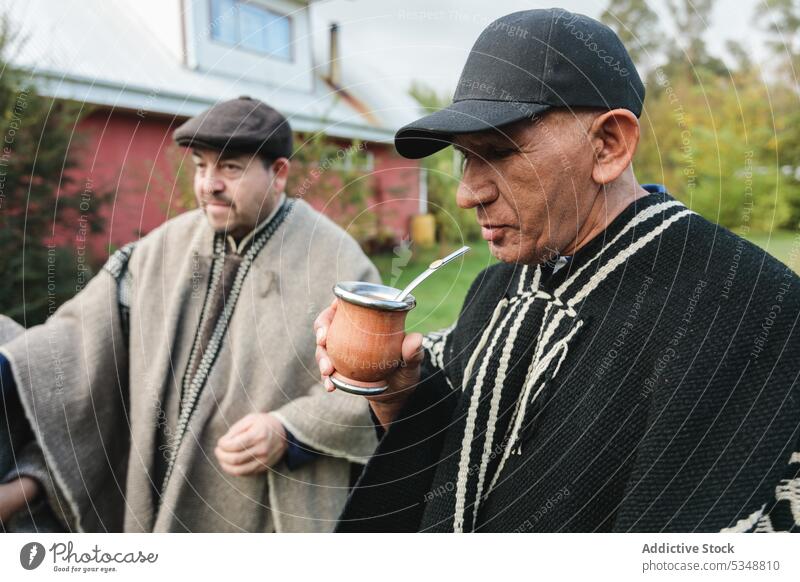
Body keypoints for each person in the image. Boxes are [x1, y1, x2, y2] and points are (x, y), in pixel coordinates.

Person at [314, 9, 800, 532]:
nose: (466, 192)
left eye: (500, 152)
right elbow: (446, 468)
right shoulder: (497, 284)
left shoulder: (751, 311)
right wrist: (394, 395)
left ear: (608, 145)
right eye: (465, 158)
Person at [0, 96, 380, 532]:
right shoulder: (167, 245)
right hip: (153, 484)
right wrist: (10, 370)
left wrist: (287, 430)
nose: (209, 184)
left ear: (278, 175)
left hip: (254, 505)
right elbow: (81, 332)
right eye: (201, 166)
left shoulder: (335, 260)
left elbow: (370, 382)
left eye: (230, 168)